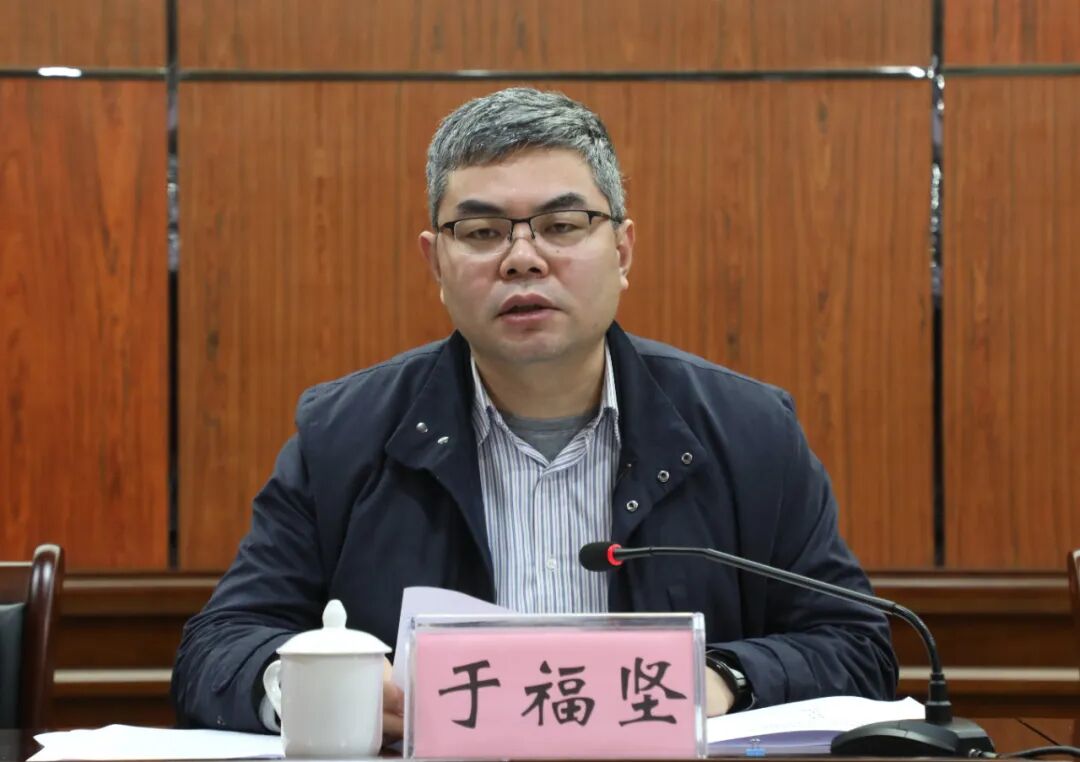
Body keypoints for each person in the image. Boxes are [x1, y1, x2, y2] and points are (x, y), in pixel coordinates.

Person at [171, 87, 897, 738]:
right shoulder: (343, 436)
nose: (523, 258)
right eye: (482, 233)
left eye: (562, 224)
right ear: (436, 264)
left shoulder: (747, 430)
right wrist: (309, 688)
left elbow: (857, 644)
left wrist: (720, 679)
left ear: (623, 250)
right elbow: (218, 648)